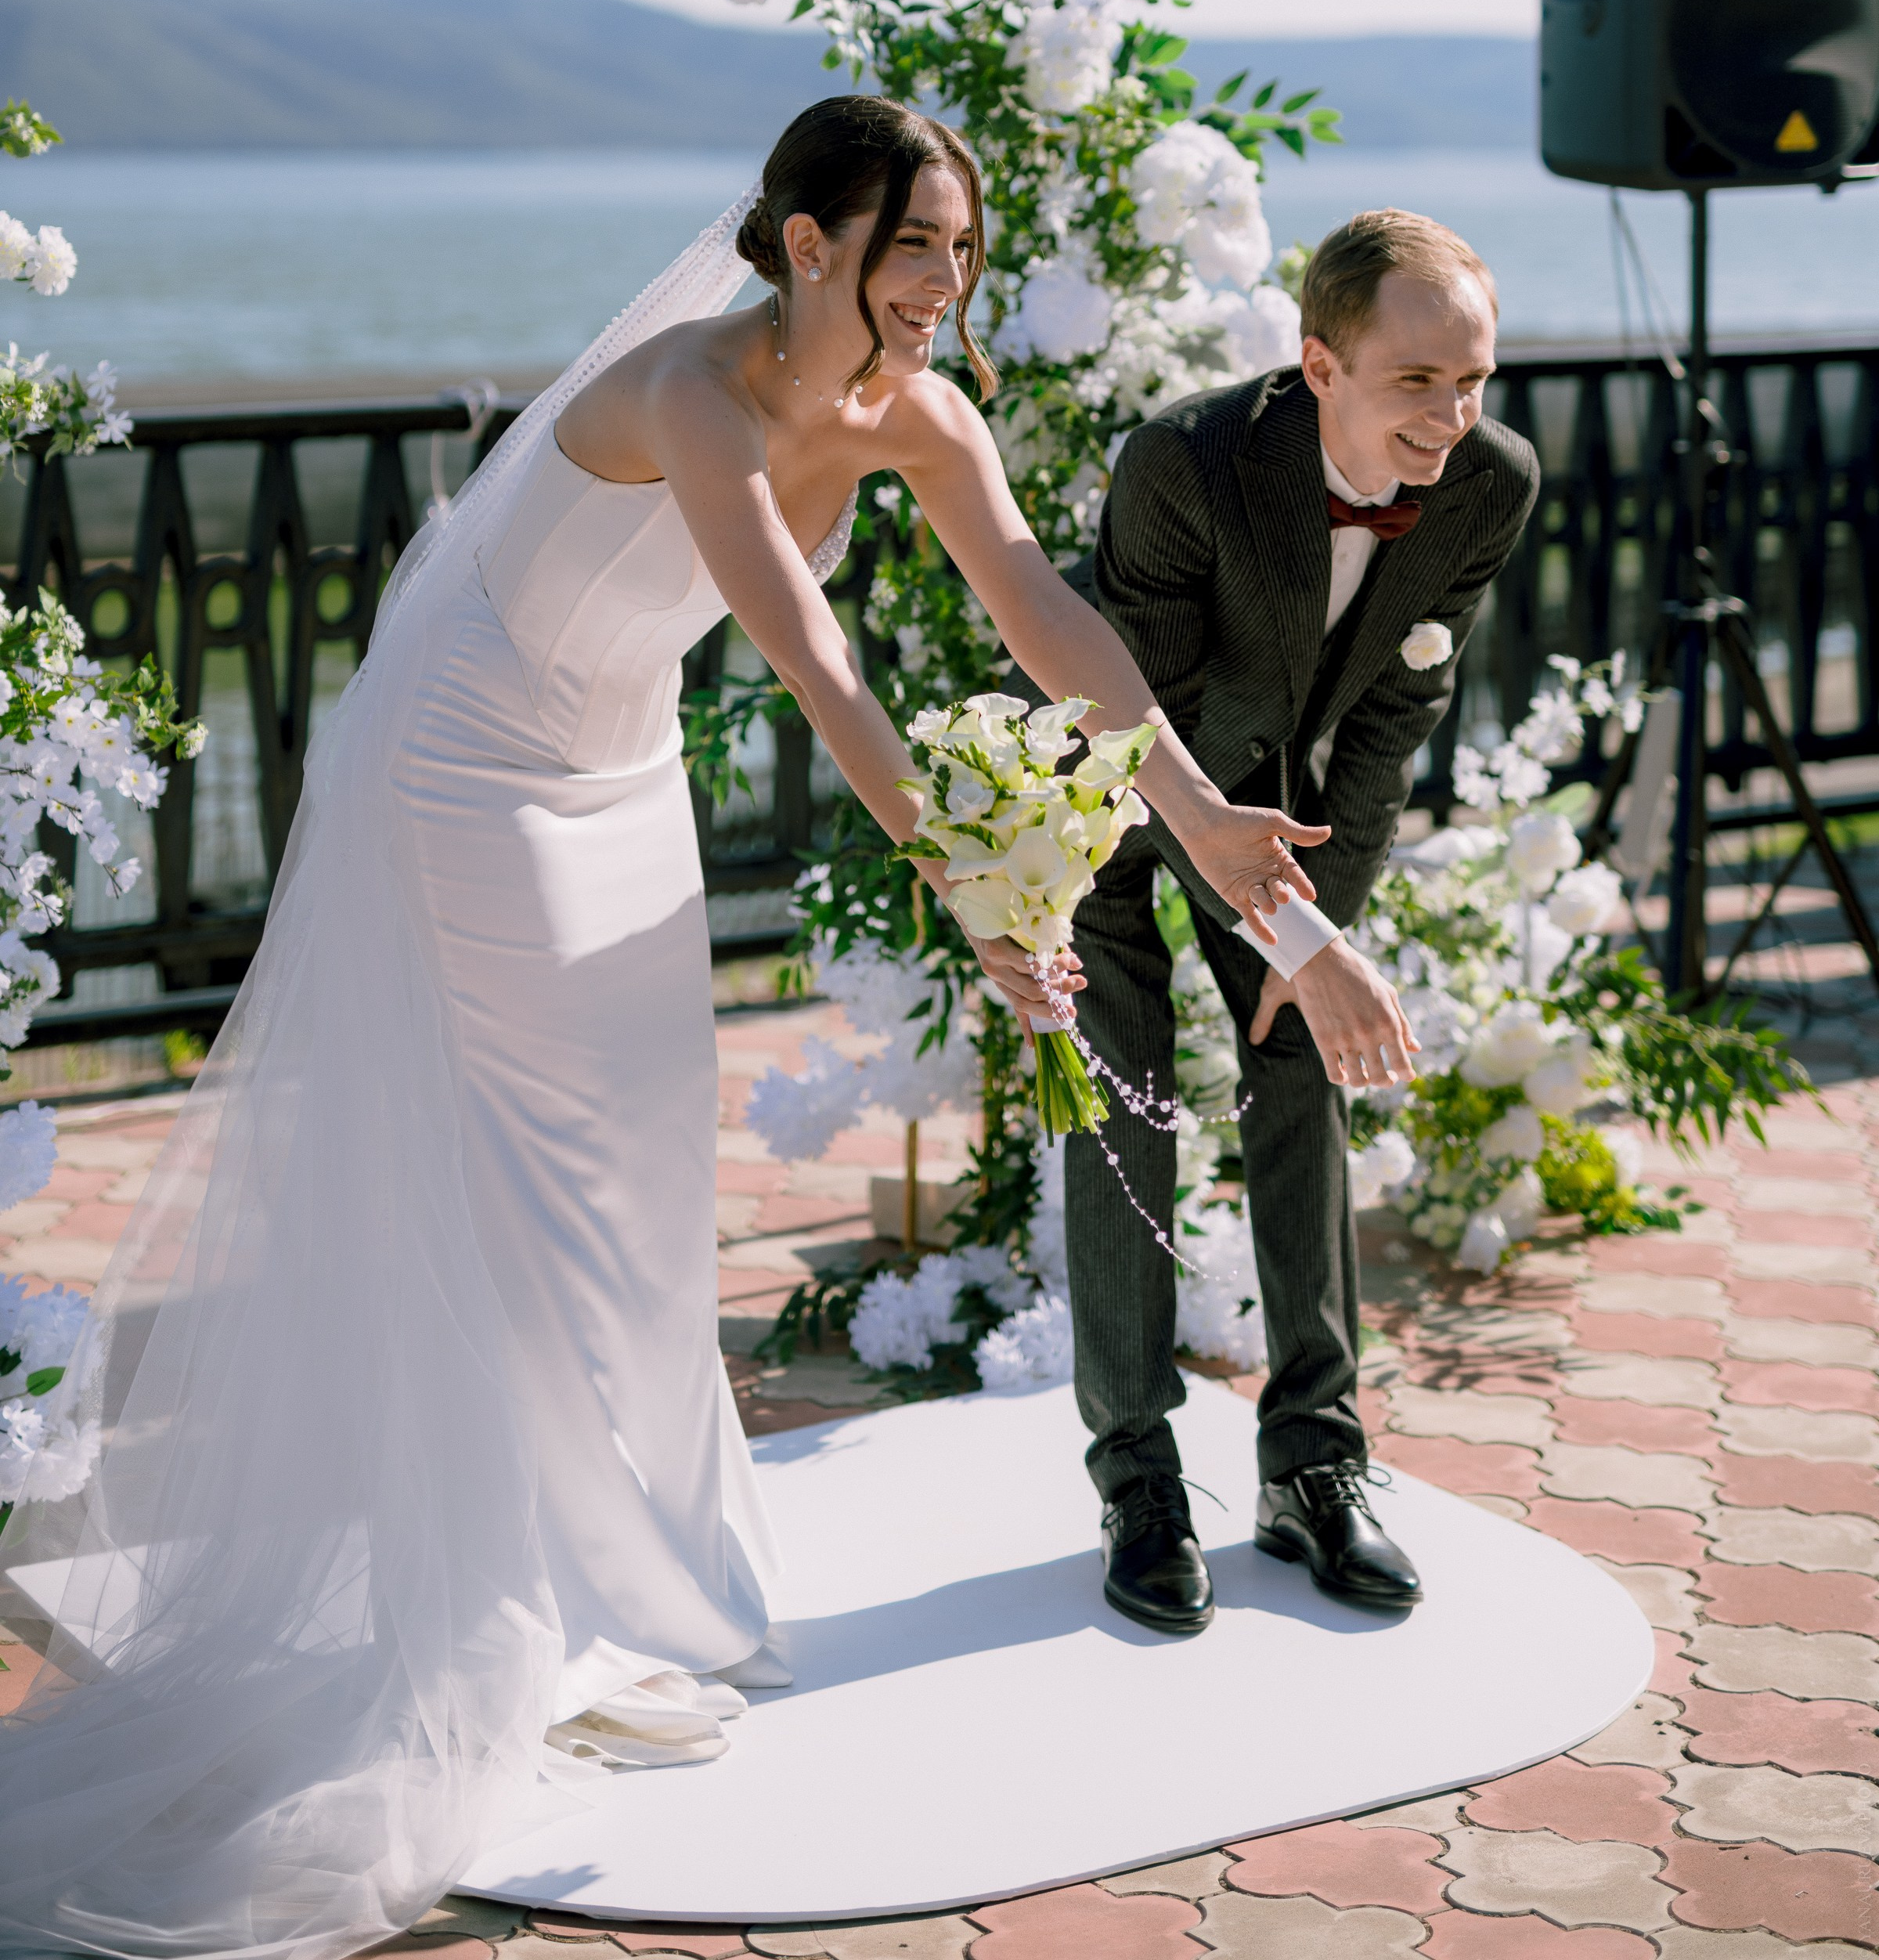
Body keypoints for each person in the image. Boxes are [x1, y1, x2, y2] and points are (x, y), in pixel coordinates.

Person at [0, 96, 1320, 1960]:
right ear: (809, 244)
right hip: (469, 757)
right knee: (546, 1174)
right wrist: (972, 888)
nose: (946, 283)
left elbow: (1044, 612)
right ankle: (544, 1605)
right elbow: (812, 656)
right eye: (915, 245)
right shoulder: (697, 391)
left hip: (617, 772)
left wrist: (1191, 810)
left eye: (963, 249)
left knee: (639, 1168)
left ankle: (643, 1572)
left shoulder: (925, 415)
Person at [1062, 210, 1539, 1637]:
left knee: (1301, 1065)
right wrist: (1305, 946)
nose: (1452, 417)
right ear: (1320, 366)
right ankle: (1138, 1476)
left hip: (1278, 803)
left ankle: (1313, 1467)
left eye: (1474, 380)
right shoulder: (1182, 464)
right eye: (1417, 381)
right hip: (1109, 780)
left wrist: (1321, 935)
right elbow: (1151, 733)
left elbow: (1394, 715)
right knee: (1126, 1094)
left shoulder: (1488, 483)